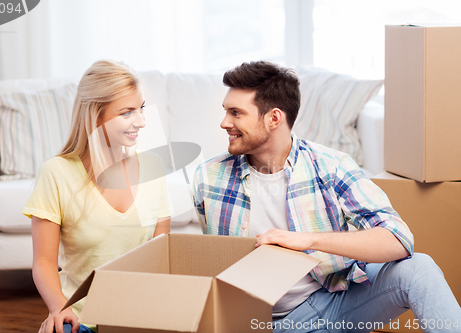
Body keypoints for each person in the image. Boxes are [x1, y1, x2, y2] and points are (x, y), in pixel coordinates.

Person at [192, 60, 461, 332]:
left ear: (274, 118)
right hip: (264, 322)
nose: (224, 122)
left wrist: (307, 240)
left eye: (236, 113)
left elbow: (399, 239)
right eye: (226, 111)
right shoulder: (208, 177)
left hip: (336, 301)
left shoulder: (331, 165)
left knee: (419, 268)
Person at [23, 60, 173, 333]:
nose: (141, 121)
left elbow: (161, 254)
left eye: (141, 108)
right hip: (82, 320)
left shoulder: (154, 167)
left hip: (138, 320)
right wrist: (59, 305)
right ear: (95, 116)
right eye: (127, 112)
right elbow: (44, 262)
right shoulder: (56, 173)